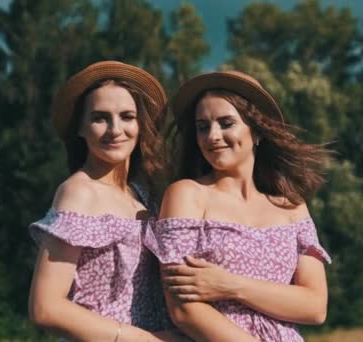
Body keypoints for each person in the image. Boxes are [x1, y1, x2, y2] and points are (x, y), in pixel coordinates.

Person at [144, 70, 332, 341]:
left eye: (226, 123)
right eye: (203, 126)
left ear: (256, 130)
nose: (212, 136)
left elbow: (315, 307)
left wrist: (231, 286)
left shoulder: (292, 207)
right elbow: (184, 310)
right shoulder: (187, 195)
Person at [28, 61, 176, 341]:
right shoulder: (79, 192)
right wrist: (140, 339)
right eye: (100, 118)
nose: (115, 129)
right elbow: (45, 307)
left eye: (127, 116)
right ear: (80, 128)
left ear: (141, 125)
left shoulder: (143, 196)